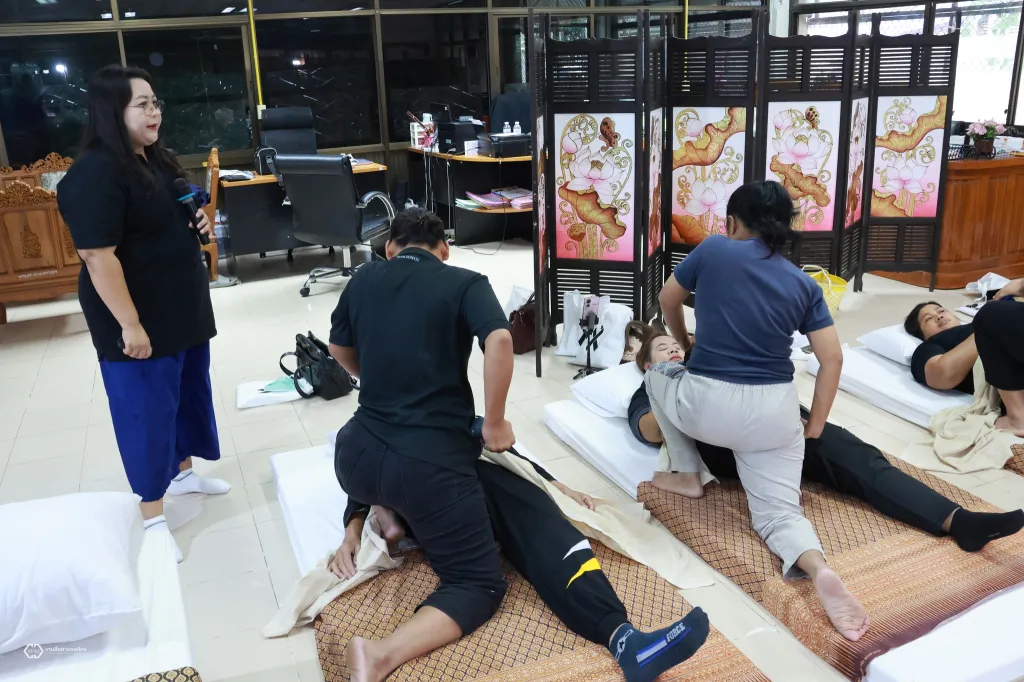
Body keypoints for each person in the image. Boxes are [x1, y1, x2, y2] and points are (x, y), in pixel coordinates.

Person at [650, 180, 868, 642]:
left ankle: (687, 474)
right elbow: (832, 358)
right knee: (779, 514)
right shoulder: (803, 283)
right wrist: (815, 423)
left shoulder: (713, 249)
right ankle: (818, 567)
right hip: (774, 412)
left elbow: (668, 300)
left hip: (708, 404)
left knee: (656, 375)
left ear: (732, 222)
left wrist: (685, 344)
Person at [328, 207, 517, 682]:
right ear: (444, 249)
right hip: (426, 469)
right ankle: (381, 655)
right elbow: (499, 341)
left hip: (355, 457)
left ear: (390, 248)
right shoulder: (466, 282)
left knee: (386, 465)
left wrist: (375, 379)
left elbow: (337, 349)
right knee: (479, 583)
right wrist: (495, 422)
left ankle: (387, 513)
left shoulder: (363, 278)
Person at [629, 332, 1024, 554]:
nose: (674, 349)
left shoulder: (708, 363)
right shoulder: (653, 385)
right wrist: (680, 391)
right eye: (663, 349)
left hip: (787, 428)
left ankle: (958, 520)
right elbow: (649, 429)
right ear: (647, 365)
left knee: (862, 460)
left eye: (676, 344)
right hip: (729, 447)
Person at [331, 453, 711, 682]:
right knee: (482, 581)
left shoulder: (436, 394)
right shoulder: (377, 418)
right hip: (434, 492)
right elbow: (361, 468)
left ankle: (625, 640)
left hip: (477, 475)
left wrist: (554, 484)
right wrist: (353, 530)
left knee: (546, 527)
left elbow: (501, 446)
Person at [57, 65, 227, 563]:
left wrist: (198, 218)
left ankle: (184, 474)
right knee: (146, 411)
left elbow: (173, 212)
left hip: (180, 306)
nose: (155, 113)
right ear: (113, 111)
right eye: (142, 104)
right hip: (138, 315)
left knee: (187, 393)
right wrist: (130, 325)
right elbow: (97, 256)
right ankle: (152, 513)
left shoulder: (154, 159)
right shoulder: (94, 173)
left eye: (156, 103)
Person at [904, 282, 1024, 436]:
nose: (939, 316)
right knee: (989, 312)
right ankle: (1018, 418)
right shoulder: (928, 347)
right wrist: (988, 329)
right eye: (928, 319)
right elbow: (941, 374)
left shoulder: (981, 323)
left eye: (941, 311)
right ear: (922, 334)